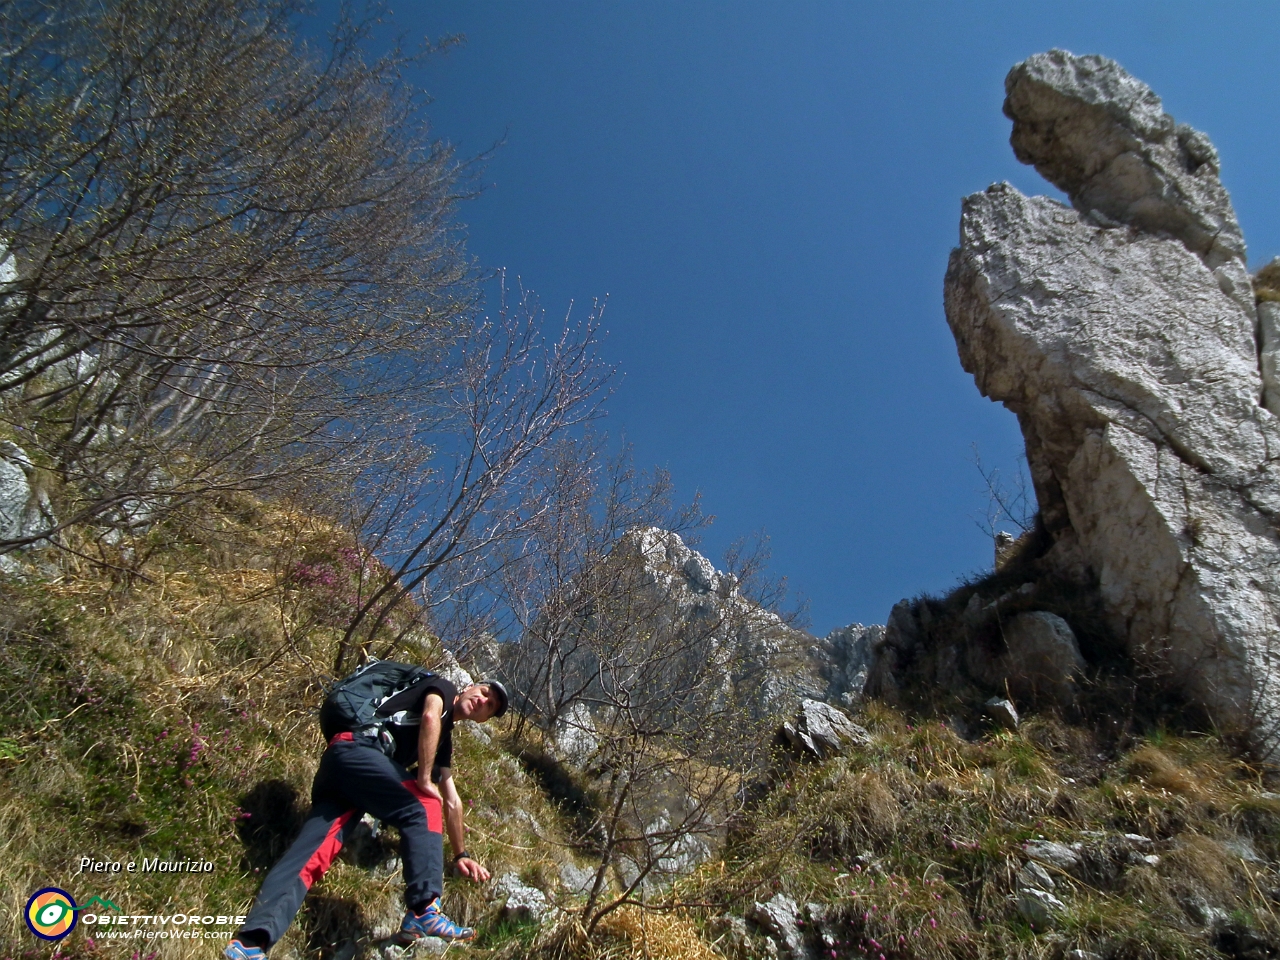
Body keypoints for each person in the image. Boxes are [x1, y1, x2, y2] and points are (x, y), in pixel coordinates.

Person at [225, 674, 509, 958]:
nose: (483, 701)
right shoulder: (444, 688)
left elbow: (453, 800)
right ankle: (424, 910)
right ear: (469, 687)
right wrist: (423, 778)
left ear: (484, 719)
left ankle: (250, 943)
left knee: (312, 855)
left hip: (344, 769)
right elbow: (430, 716)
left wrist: (461, 855)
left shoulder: (443, 742)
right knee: (423, 805)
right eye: (484, 692)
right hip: (357, 751)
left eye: (490, 706)